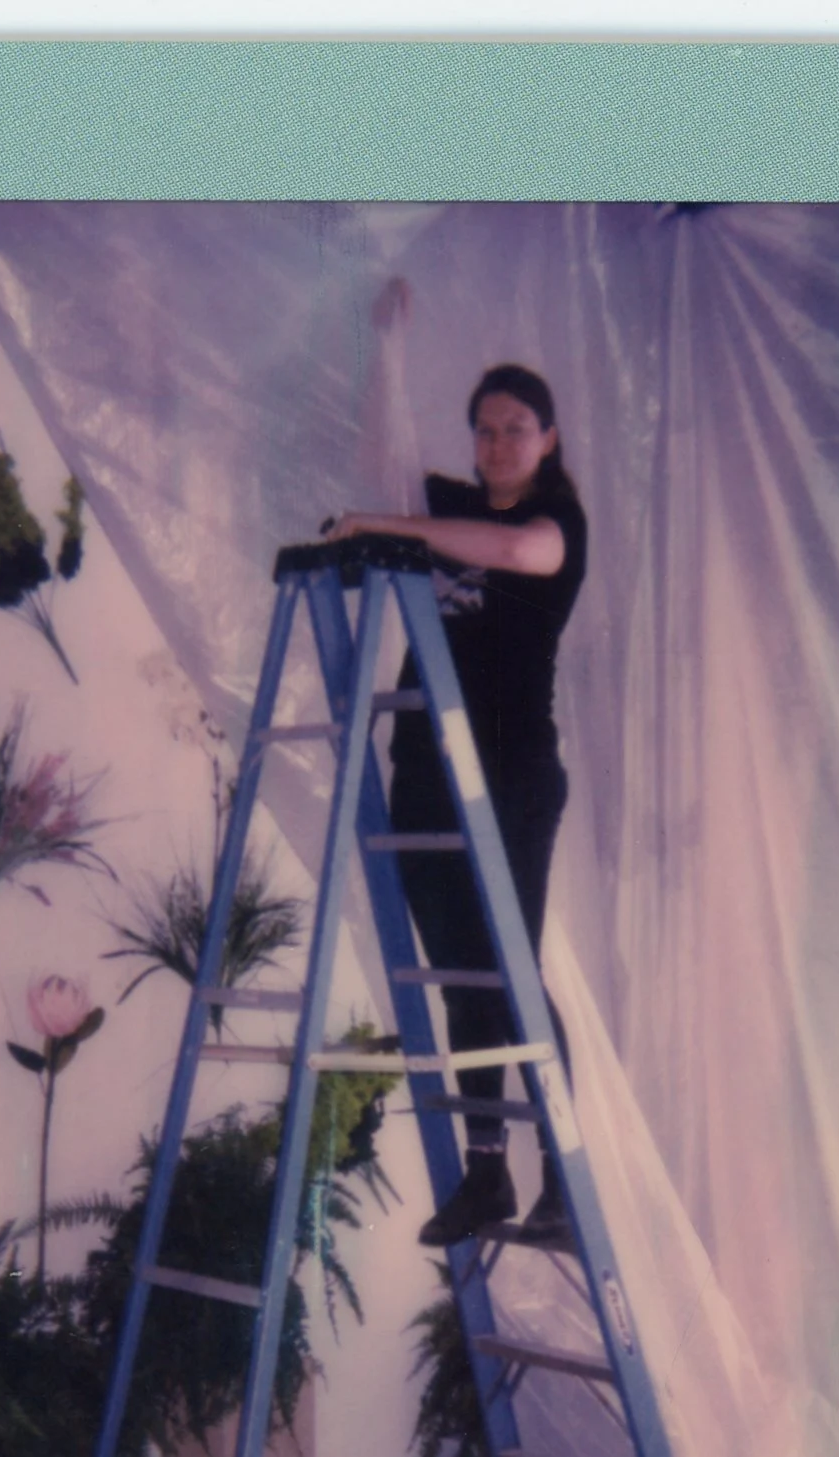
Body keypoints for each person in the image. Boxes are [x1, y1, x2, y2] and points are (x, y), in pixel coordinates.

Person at [328, 353, 588, 1248]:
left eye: (516, 427)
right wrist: (385, 348)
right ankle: (486, 1173)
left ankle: (559, 1175)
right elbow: (378, 462)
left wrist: (395, 525)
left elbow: (518, 553)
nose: (497, 443)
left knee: (509, 967)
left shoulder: (558, 520)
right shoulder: (443, 503)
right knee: (459, 970)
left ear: (547, 438)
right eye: (484, 427)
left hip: (511, 774)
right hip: (428, 769)